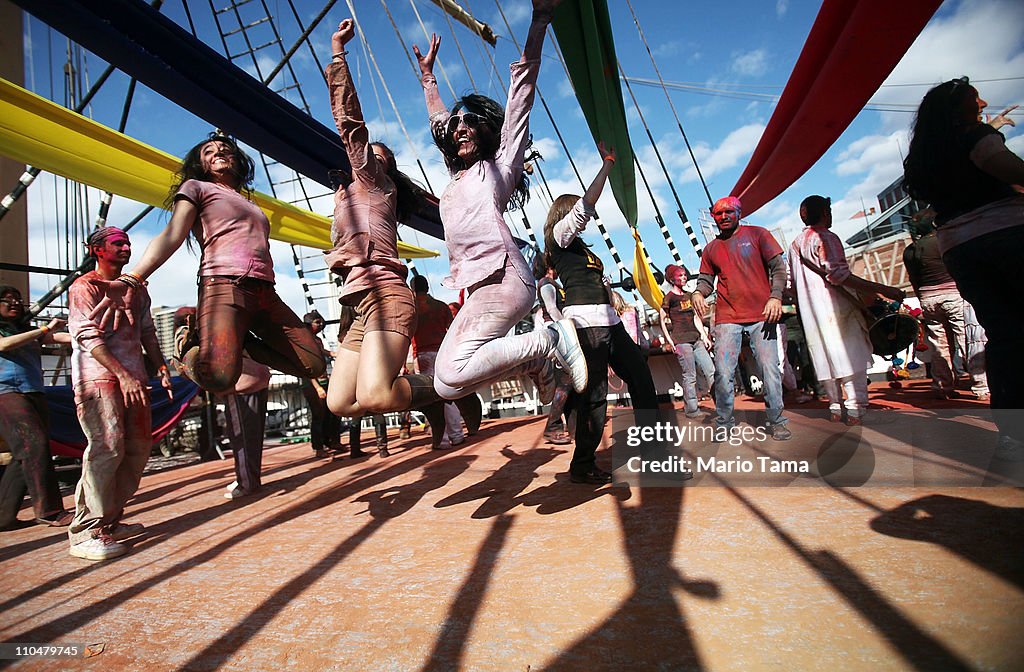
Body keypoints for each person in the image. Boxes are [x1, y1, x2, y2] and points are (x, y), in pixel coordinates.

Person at [413, 0, 587, 405]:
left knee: (454, 369)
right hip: (478, 287)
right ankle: (536, 361)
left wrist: (540, 22)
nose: (460, 128)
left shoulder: (500, 165)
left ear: (487, 131)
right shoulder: (456, 177)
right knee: (445, 383)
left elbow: (521, 96)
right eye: (456, 126)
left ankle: (549, 339)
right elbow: (440, 122)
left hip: (508, 277)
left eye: (470, 123)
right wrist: (428, 80)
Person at [89, 133, 324, 395]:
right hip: (224, 286)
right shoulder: (196, 187)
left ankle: (239, 341)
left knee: (312, 364)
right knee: (220, 379)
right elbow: (172, 234)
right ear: (201, 165)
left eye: (225, 149)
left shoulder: (250, 202)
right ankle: (185, 350)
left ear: (238, 160)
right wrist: (133, 277)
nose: (219, 153)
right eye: (209, 152)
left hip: (266, 292)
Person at [322, 19, 447, 434]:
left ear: (383, 168)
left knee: (375, 395)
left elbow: (351, 125)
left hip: (386, 295)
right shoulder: (349, 196)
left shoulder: (375, 181)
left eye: (375, 157)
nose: (366, 159)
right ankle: (429, 393)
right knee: (339, 401)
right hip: (357, 304)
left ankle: (450, 387)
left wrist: (338, 54)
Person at [902, 77, 1023, 459]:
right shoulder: (974, 137)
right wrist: (992, 132)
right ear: (958, 109)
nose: (982, 102)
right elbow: (1007, 168)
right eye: (975, 99)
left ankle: (1012, 433)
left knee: (1002, 335)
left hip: (959, 248)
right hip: (1005, 235)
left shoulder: (924, 156)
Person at [545, 143, 664, 484]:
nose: (587, 220)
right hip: (586, 328)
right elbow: (586, 206)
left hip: (610, 324)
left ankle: (653, 452)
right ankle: (582, 464)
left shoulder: (581, 249)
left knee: (641, 378)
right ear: (564, 214)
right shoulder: (560, 237)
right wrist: (608, 164)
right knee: (595, 398)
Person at [66, 227, 173, 561]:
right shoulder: (84, 287)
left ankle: (110, 521)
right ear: (97, 250)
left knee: (137, 449)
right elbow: (87, 336)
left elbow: (146, 332)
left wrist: (160, 367)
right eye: (118, 243)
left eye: (128, 242)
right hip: (99, 380)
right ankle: (84, 531)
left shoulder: (137, 291)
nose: (126, 247)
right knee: (107, 447)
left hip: (134, 380)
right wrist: (123, 374)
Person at [788, 195, 904, 425]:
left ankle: (834, 406)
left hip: (812, 315)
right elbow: (839, 275)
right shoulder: (826, 238)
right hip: (837, 309)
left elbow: (791, 285)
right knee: (852, 354)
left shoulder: (794, 245)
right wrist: (883, 289)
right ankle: (854, 408)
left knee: (825, 357)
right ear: (824, 213)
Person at [692, 196, 791, 440]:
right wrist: (697, 292)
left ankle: (776, 419)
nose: (723, 216)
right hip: (727, 317)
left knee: (769, 367)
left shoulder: (759, 234)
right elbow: (706, 280)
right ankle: (724, 422)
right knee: (723, 371)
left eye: (728, 212)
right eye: (718, 213)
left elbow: (779, 268)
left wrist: (775, 296)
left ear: (738, 212)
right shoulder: (711, 249)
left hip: (763, 314)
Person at [0, 286, 73, 531]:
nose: (14, 303)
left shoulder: (27, 331)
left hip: (34, 392)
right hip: (6, 394)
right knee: (35, 444)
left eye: (17, 299)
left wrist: (90, 337)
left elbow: (60, 337)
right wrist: (44, 329)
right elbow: (4, 345)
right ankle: (50, 511)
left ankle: (2, 516)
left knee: (25, 453)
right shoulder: (19, 333)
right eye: (7, 300)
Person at [902, 211, 988, 400]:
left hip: (927, 299)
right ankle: (981, 385)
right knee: (967, 339)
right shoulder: (941, 241)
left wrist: (921, 299)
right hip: (953, 295)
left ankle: (942, 386)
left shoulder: (910, 250)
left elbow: (914, 280)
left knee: (939, 344)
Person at [410, 274, 483, 449]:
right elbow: (452, 330)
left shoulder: (411, 308)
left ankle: (441, 440)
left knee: (431, 400)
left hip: (422, 355)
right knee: (448, 395)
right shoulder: (441, 306)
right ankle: (457, 435)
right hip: (441, 353)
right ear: (427, 287)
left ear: (412, 289)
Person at [659, 264, 714, 418]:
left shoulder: (689, 295)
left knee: (710, 370)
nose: (683, 278)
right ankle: (691, 409)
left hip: (696, 339)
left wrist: (703, 334)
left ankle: (721, 402)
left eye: (684, 275)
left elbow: (696, 317)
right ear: (672, 279)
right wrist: (670, 341)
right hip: (681, 341)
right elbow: (662, 319)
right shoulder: (669, 297)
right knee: (690, 375)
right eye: (680, 275)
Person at [533, 262, 572, 445]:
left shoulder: (550, 283)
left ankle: (563, 424)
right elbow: (551, 308)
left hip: (558, 330)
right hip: (558, 331)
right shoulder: (547, 283)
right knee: (566, 381)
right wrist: (568, 328)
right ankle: (552, 425)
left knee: (567, 381)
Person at [221, 356, 271, 500]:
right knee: (253, 436)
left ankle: (247, 483)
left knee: (242, 437)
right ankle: (248, 478)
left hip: (240, 383)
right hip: (259, 377)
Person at [300, 311, 341, 458]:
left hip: (324, 379)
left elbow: (323, 352)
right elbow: (305, 367)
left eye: (321, 322)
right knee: (318, 415)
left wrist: (335, 353)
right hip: (312, 383)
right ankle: (318, 447)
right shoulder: (304, 341)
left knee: (333, 411)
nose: (321, 325)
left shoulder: (317, 340)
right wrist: (317, 387)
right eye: (317, 322)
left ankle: (331, 441)